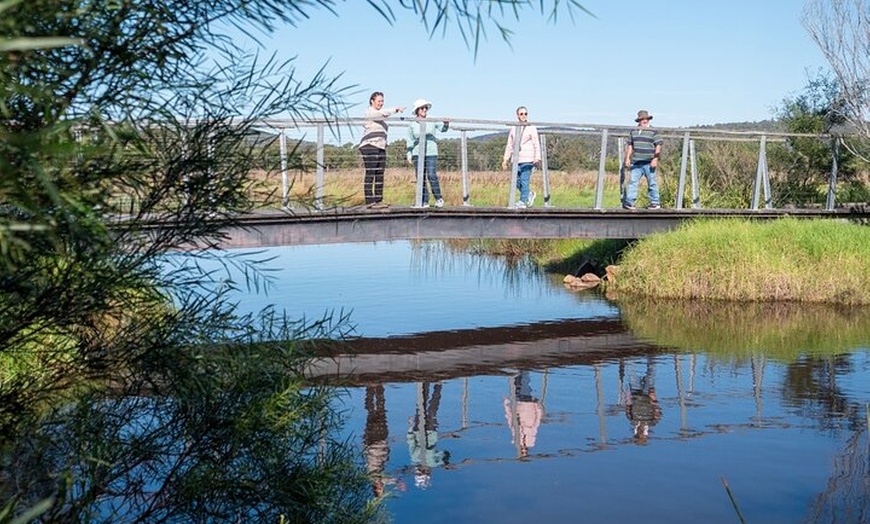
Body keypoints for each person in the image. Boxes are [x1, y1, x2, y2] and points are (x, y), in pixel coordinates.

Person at [358, 91, 405, 208]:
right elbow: (380, 114)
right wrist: (395, 109)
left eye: (382, 101)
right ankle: (370, 201)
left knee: (380, 173)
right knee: (371, 172)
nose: (381, 103)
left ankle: (378, 200)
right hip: (370, 146)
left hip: (380, 147)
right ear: (372, 101)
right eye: (379, 101)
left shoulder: (380, 115)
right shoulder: (370, 112)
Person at [406, 98, 449, 208]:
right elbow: (410, 139)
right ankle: (424, 201)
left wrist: (446, 124)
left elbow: (443, 129)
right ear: (417, 110)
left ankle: (439, 198)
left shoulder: (432, 119)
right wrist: (409, 153)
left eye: (426, 108)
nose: (425, 110)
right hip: (417, 152)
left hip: (431, 152)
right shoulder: (412, 123)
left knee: (431, 175)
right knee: (420, 177)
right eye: (422, 108)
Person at [406, 381, 449, 489]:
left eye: (421, 472)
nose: (423, 470)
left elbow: (411, 442)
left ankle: (426, 383)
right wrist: (444, 461)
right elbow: (445, 454)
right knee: (431, 408)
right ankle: (436, 384)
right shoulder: (432, 462)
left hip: (420, 430)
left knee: (423, 407)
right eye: (424, 472)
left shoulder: (416, 458)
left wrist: (410, 427)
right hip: (429, 431)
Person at [623, 109, 663, 210]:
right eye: (642, 119)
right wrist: (627, 158)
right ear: (639, 121)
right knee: (633, 182)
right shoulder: (634, 131)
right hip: (636, 161)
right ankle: (630, 202)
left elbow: (658, 145)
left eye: (646, 119)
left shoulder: (654, 131)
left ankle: (655, 202)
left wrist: (655, 158)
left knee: (652, 182)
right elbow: (630, 146)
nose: (644, 121)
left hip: (649, 162)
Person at [501, 106, 541, 208]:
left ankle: (523, 201)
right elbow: (510, 144)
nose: (524, 116)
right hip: (516, 159)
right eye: (521, 114)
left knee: (524, 180)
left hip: (528, 159)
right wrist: (505, 159)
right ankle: (529, 193)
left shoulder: (531, 127)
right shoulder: (513, 128)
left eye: (525, 114)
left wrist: (537, 158)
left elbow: (536, 143)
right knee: (515, 180)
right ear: (517, 115)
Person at [503, 370, 543, 457]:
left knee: (520, 386)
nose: (523, 450)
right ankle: (522, 370)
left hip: (522, 408)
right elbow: (535, 425)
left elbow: (511, 423)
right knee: (524, 385)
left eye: (522, 451)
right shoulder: (529, 441)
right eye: (524, 451)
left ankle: (520, 370)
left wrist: (506, 405)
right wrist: (538, 408)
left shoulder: (517, 440)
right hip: (527, 409)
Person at [624, 357, 662, 445]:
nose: (640, 434)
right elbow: (657, 410)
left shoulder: (632, 421)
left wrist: (627, 395)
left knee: (630, 370)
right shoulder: (653, 422)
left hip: (634, 392)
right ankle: (652, 355)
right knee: (651, 373)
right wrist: (653, 398)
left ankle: (630, 354)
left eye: (638, 435)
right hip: (647, 394)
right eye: (641, 436)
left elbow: (628, 406)